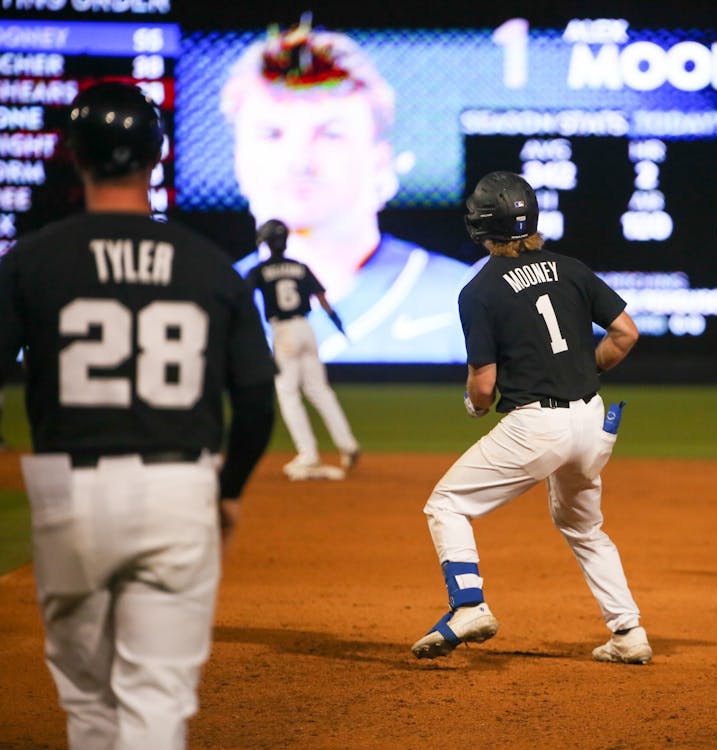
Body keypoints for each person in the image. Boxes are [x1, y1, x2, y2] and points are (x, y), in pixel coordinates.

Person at [0, 82, 277, 748]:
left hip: (67, 487)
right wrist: (230, 490)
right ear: (158, 158)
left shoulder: (30, 262)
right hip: (178, 488)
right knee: (157, 702)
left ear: (72, 155)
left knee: (89, 706)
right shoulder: (211, 267)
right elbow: (258, 402)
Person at [410, 171, 652, 665]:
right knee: (584, 527)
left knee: (447, 505)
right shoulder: (572, 268)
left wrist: (475, 407)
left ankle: (469, 605)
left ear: (478, 226)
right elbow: (625, 333)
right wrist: (591, 364)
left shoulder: (479, 290)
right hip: (592, 420)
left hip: (537, 426)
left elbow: (482, 386)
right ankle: (628, 632)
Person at [220, 14, 473, 363]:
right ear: (238, 161)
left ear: (379, 160)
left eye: (330, 134)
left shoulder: (463, 302)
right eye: (272, 135)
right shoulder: (204, 303)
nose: (299, 161)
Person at [247, 218, 361, 479]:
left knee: (288, 392)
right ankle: (348, 444)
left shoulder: (260, 270)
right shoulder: (300, 267)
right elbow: (323, 301)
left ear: (265, 242)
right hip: (306, 329)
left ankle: (308, 453)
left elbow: (245, 298)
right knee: (319, 389)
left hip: (284, 332)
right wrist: (338, 326)